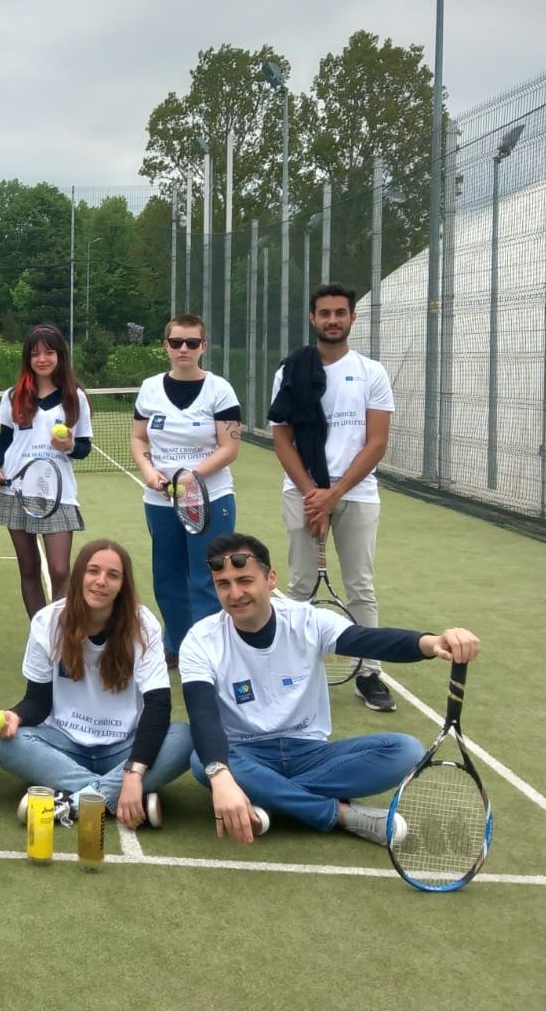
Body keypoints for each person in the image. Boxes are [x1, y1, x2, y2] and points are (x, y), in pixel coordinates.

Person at [181, 533, 480, 846]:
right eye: (223, 584)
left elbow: (370, 640)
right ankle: (339, 814)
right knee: (205, 763)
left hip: (311, 752)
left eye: (244, 580)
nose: (235, 593)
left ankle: (268, 796)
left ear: (271, 579)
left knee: (406, 751)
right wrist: (220, 772)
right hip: (245, 753)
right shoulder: (201, 640)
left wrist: (432, 642)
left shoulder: (308, 620)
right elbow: (202, 715)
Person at [0, 538, 193, 828]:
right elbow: (38, 701)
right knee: (5, 743)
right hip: (63, 745)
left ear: (123, 584)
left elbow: (158, 706)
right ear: (79, 576)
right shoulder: (47, 622)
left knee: (184, 738)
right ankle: (121, 797)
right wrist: (16, 715)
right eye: (93, 571)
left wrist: (134, 770)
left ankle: (74, 802)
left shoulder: (143, 624)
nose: (101, 581)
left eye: (113, 575)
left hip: (124, 748)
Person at [269, 283, 397, 712]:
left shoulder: (371, 372)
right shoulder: (290, 370)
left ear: (352, 318)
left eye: (340, 313)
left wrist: (334, 494)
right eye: (324, 313)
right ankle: (295, 670)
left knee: (361, 586)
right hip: (301, 493)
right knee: (301, 585)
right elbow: (283, 440)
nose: (332, 320)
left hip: (357, 494)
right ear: (313, 319)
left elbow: (376, 443)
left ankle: (369, 673)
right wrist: (313, 494)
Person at [129, 313, 242, 667]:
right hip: (161, 502)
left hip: (211, 499)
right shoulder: (149, 388)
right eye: (176, 342)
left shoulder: (220, 389)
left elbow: (229, 447)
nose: (184, 349)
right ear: (166, 346)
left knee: (207, 577)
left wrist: (192, 476)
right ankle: (177, 644)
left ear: (203, 347)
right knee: (167, 578)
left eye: (192, 343)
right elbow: (137, 437)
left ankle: (209, 651)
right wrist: (149, 471)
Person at [0, 324, 92, 618]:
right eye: (35, 353)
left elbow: (84, 448)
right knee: (28, 568)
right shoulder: (13, 396)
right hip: (16, 489)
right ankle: (39, 634)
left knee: (59, 569)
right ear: (27, 358)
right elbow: (4, 440)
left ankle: (60, 631)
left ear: (60, 355)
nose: (42, 358)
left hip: (58, 493)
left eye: (49, 352)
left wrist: (68, 446)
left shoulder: (75, 397)